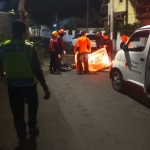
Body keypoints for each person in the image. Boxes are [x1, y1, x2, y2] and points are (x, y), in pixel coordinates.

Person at [0, 19, 50, 143]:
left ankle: (21, 135)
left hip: (13, 86)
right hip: (29, 86)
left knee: (17, 112)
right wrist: (45, 87)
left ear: (12, 32)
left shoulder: (3, 47)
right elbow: (37, 69)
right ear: (25, 32)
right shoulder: (29, 47)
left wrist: (2, 76)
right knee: (32, 108)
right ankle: (32, 127)